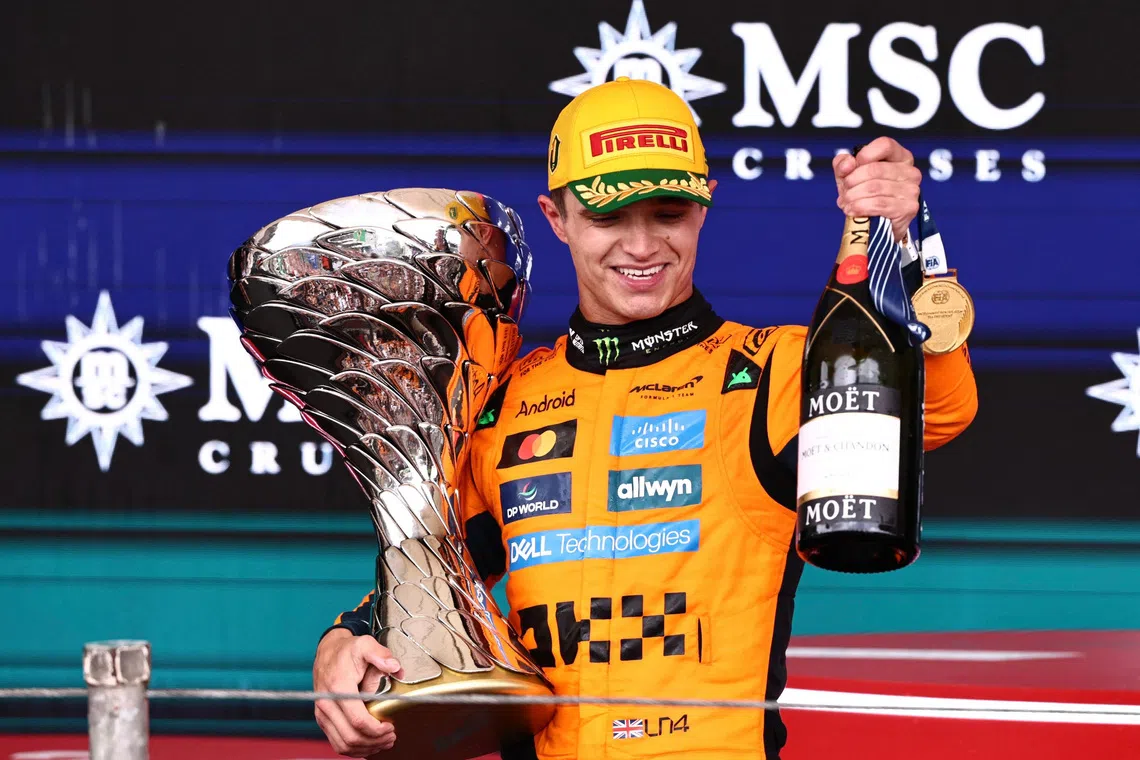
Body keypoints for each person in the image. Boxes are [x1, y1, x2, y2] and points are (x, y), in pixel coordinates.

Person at [312, 77, 979, 759]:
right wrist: (345, 639)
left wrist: (905, 247)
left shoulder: (772, 370)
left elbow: (940, 410)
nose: (640, 246)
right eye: (607, 218)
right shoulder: (504, 400)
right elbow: (439, 574)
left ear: (705, 207)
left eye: (666, 213)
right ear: (556, 216)